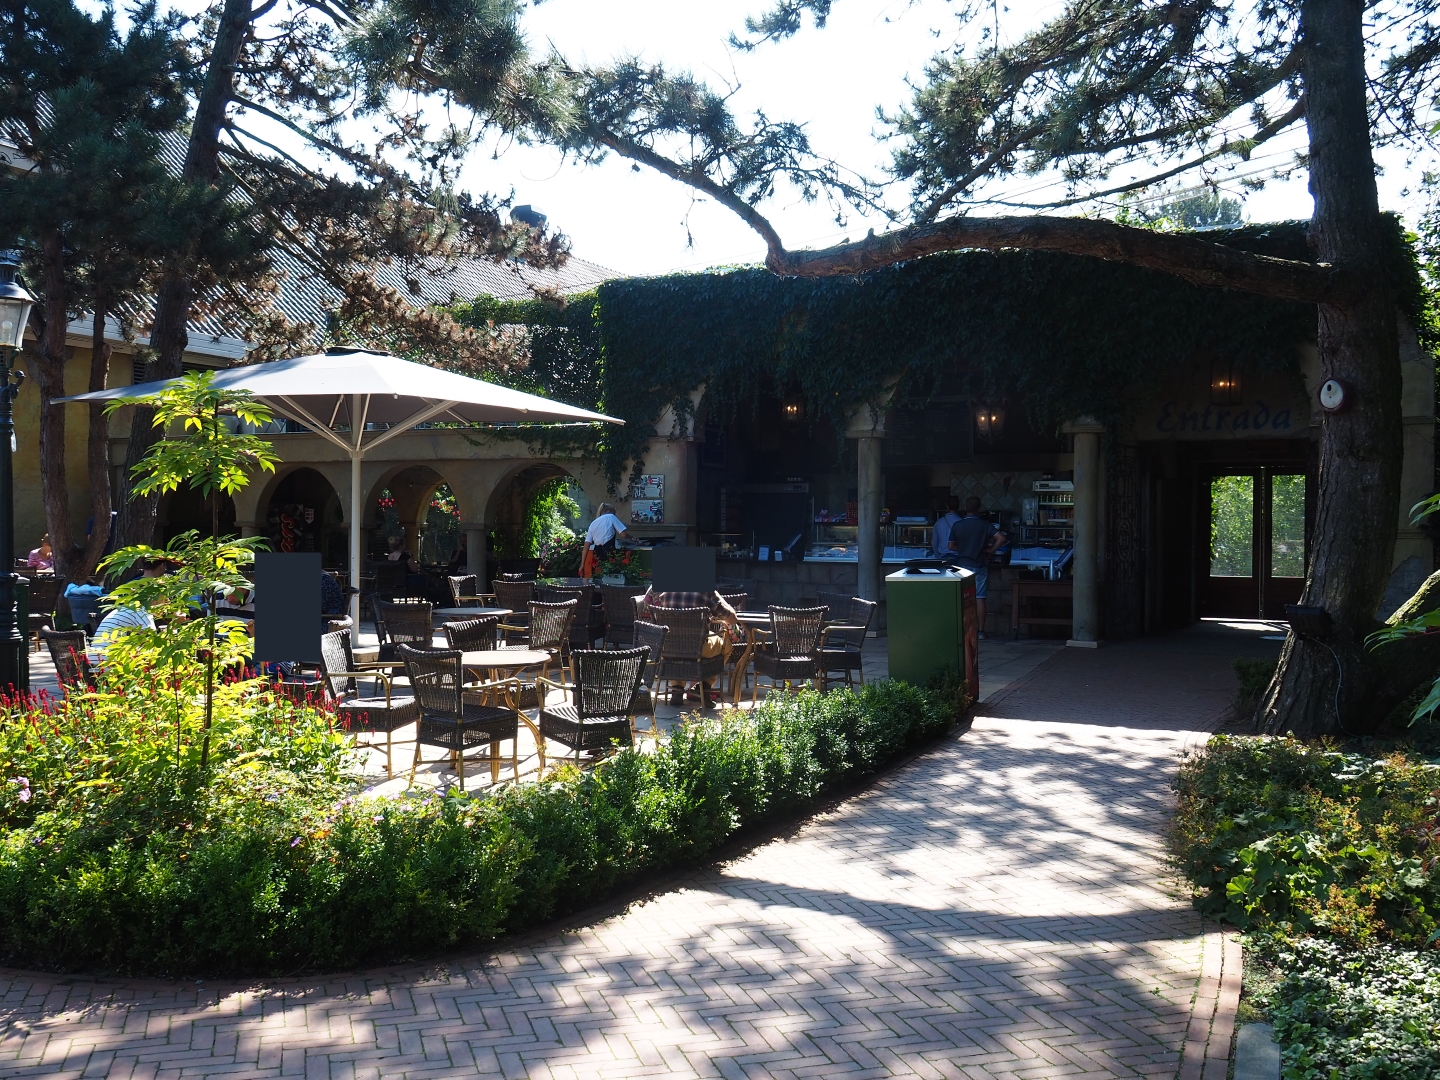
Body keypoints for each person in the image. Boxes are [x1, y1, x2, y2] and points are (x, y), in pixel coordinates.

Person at [638, 585, 738, 706]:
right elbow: (732, 619)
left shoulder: (665, 593)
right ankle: (704, 688)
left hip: (669, 648)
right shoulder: (705, 591)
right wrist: (722, 601)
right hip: (698, 649)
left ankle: (677, 690)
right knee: (726, 645)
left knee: (679, 644)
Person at [947, 496, 1007, 639]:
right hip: (980, 564)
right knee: (980, 598)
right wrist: (991, 551)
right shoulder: (985, 524)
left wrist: (963, 549)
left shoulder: (957, 525)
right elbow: (1002, 538)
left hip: (961, 565)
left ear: (965, 509)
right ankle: (980, 631)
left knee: (963, 598)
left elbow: (950, 546)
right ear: (979, 509)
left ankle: (964, 629)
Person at [87, 559, 168, 663]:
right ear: (153, 597)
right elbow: (153, 644)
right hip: (107, 669)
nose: (167, 603)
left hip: (95, 666)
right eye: (164, 599)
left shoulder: (129, 608)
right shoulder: (141, 612)